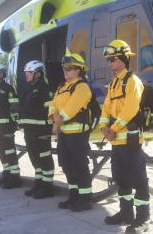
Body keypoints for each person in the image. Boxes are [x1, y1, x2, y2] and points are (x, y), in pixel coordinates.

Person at [99, 39, 150, 233]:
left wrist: (114, 128)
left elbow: (130, 109)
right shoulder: (114, 83)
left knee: (138, 179)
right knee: (121, 178)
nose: (110, 63)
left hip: (129, 138)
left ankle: (143, 217)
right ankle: (126, 212)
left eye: (112, 59)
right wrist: (104, 127)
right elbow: (106, 107)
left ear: (123, 58)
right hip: (116, 140)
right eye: (109, 60)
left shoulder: (132, 81)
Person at [48, 50, 93, 212]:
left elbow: (71, 108)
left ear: (78, 70)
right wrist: (54, 116)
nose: (65, 71)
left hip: (78, 134)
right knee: (66, 165)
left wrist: (58, 120)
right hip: (64, 133)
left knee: (79, 165)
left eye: (69, 68)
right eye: (64, 68)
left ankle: (86, 198)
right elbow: (53, 104)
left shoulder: (82, 87)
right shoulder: (61, 87)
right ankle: (74, 195)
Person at [18, 60, 55, 199]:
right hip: (29, 131)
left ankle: (47, 187)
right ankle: (39, 184)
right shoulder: (28, 90)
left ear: (38, 74)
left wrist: (48, 129)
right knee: (35, 159)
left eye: (29, 73)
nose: (27, 76)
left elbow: (51, 110)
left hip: (41, 132)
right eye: (26, 73)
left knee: (44, 159)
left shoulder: (45, 90)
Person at [0, 63, 21, 189]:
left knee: (9, 152)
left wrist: (14, 124)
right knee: (2, 152)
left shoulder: (8, 89)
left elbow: (15, 109)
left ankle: (15, 178)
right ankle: (6, 176)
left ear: (1, 74)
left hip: (7, 127)